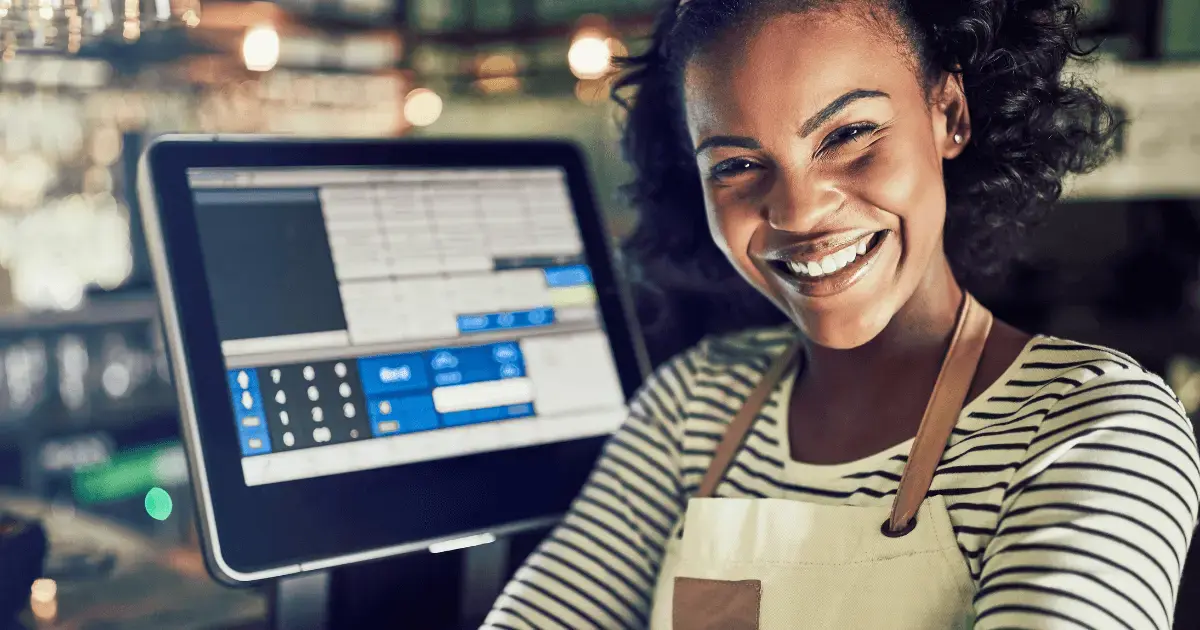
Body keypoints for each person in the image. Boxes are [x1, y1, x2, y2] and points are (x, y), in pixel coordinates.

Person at [484, 0, 1200, 628]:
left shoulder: (1094, 426)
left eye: (849, 133)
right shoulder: (690, 405)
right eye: (735, 165)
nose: (797, 212)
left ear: (949, 114)